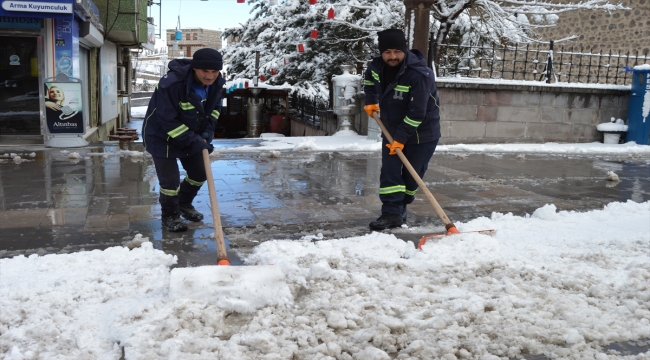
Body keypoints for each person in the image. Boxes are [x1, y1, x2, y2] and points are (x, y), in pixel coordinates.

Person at [363, 29, 441, 231]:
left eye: (397, 51)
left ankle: (402, 205)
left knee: (411, 176)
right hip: (391, 128)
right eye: (387, 52)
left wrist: (400, 138)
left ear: (404, 50)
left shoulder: (419, 74)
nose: (392, 56)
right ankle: (392, 213)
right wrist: (370, 101)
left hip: (422, 134)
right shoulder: (376, 66)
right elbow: (369, 81)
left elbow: (417, 113)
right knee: (389, 173)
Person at [143, 48, 226, 232]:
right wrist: (196, 141)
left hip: (190, 135)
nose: (210, 76)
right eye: (205, 71)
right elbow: (168, 121)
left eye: (214, 71)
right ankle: (170, 216)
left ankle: (183, 203)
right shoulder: (172, 84)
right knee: (170, 182)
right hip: (161, 137)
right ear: (195, 68)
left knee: (199, 173)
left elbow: (214, 108)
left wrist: (207, 132)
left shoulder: (216, 84)